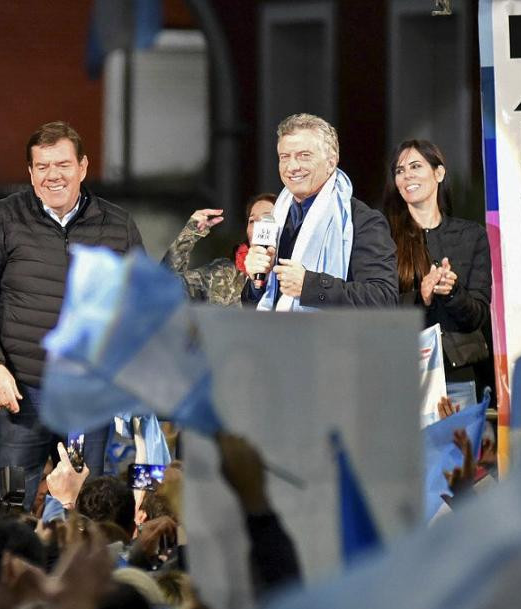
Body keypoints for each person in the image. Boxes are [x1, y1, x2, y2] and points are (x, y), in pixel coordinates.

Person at [0, 121, 144, 514]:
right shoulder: (0, 221)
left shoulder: (118, 225)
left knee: (91, 507)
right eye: (41, 166)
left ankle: (85, 577)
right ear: (29, 172)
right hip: (21, 394)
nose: (52, 175)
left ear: (83, 166)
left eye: (62, 164)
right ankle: (6, 576)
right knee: (9, 507)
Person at [242, 113, 397, 309]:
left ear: (331, 162)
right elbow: (253, 306)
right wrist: (257, 282)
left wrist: (310, 286)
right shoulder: (276, 221)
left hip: (333, 339)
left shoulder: (361, 221)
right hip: (275, 337)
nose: (292, 167)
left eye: (304, 156)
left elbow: (383, 298)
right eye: (284, 157)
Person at [382, 139, 492, 407]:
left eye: (416, 166)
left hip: (457, 379)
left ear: (439, 173)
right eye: (400, 170)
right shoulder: (382, 236)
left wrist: (452, 292)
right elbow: (374, 308)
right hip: (401, 376)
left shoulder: (471, 235)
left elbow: (477, 316)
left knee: (459, 449)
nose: (407, 175)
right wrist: (422, 298)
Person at [163, 194, 276, 306]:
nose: (259, 227)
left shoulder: (290, 275)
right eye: (252, 221)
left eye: (268, 219)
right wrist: (188, 235)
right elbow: (163, 288)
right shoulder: (224, 275)